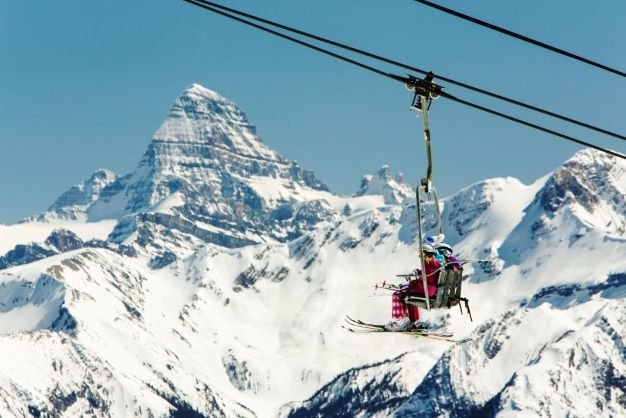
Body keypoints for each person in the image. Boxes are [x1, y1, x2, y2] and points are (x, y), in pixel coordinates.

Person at [385, 243, 442, 331]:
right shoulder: (434, 262)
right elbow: (428, 275)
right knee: (407, 294)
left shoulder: (428, 263)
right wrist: (417, 274)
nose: (420, 255)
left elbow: (425, 278)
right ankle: (413, 322)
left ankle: (405, 321)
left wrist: (411, 283)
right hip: (430, 288)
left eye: (421, 253)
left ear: (425, 253)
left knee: (402, 294)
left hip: (427, 288)